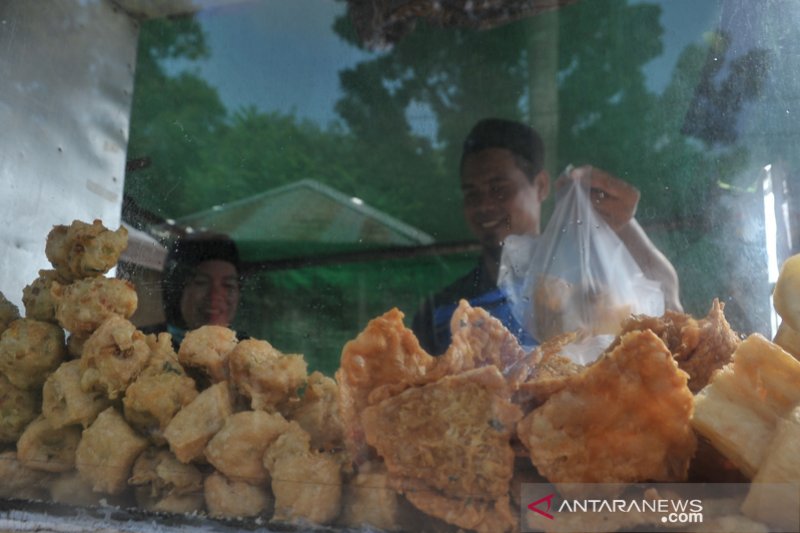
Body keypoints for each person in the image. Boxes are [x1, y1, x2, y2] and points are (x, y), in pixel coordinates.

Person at [412, 117, 683, 355]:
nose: (483, 205)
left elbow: (670, 313)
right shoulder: (441, 313)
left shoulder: (587, 288)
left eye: (499, 189)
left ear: (540, 186)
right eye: (472, 193)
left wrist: (625, 226)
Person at [146, 232, 244, 349]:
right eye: (201, 283)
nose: (215, 295)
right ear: (178, 291)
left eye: (228, 285)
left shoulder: (249, 355)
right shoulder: (143, 345)